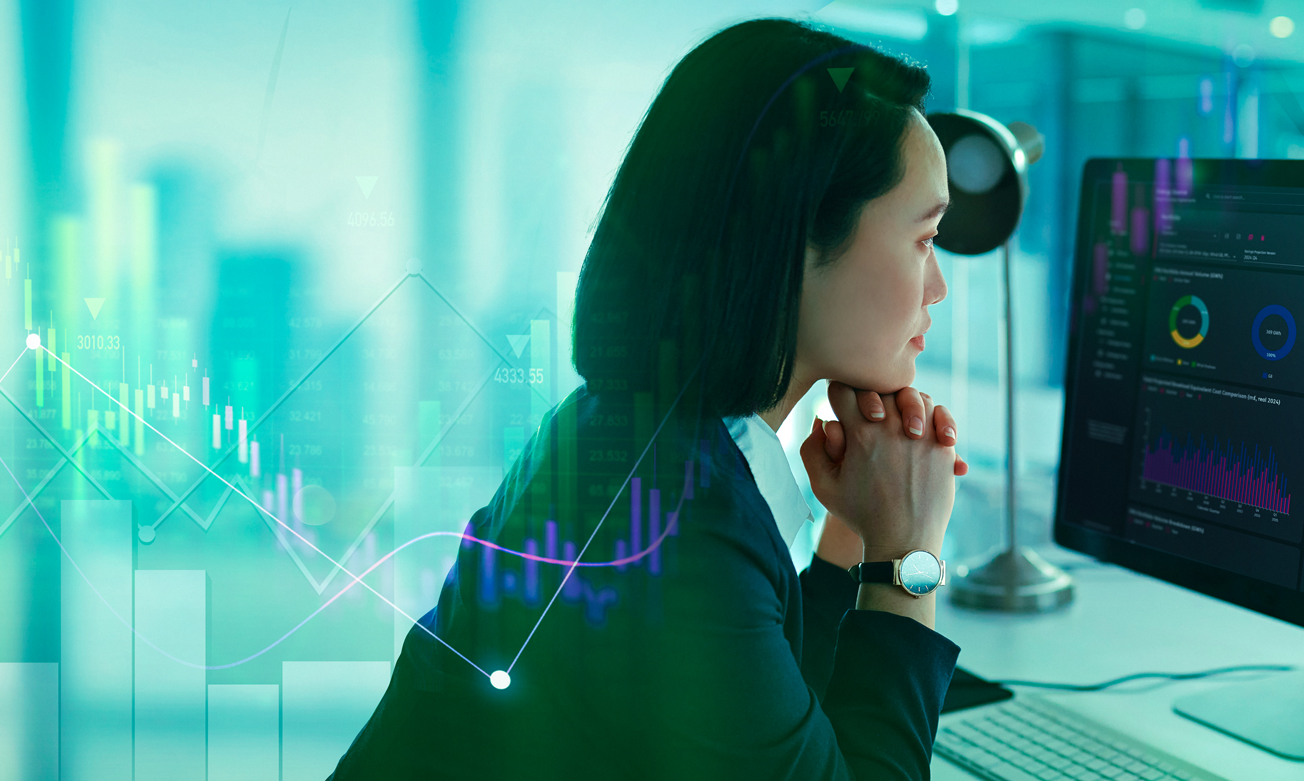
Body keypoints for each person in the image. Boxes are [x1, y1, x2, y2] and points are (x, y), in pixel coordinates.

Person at [332, 19, 970, 779]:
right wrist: (908, 557)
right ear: (794, 238)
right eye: (925, 238)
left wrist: (856, 532)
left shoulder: (620, 439)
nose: (938, 286)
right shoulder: (680, 524)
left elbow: (770, 711)